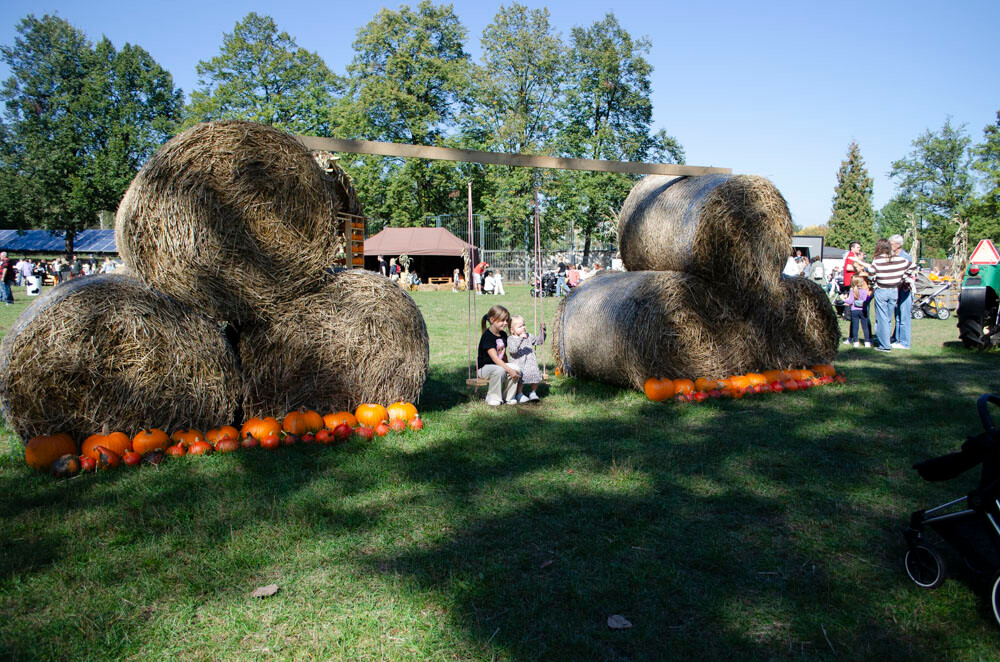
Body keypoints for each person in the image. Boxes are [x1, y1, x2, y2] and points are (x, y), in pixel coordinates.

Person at [853, 238, 912, 353]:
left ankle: (884, 345)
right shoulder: (898, 259)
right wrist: (902, 279)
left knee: (882, 318)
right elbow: (912, 266)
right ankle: (887, 340)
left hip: (882, 290)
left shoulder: (878, 260)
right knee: (888, 318)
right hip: (894, 290)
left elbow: (872, 272)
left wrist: (873, 281)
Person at [477, 305, 519, 406]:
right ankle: (492, 396)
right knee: (501, 370)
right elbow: (495, 358)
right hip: (484, 368)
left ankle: (508, 397)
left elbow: (503, 355)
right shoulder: (487, 336)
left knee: (516, 368)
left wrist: (511, 367)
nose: (505, 323)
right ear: (492, 320)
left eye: (506, 320)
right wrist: (509, 370)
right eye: (502, 321)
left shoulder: (503, 335)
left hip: (498, 366)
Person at [507, 316, 546, 403]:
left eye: (524, 325)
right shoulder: (511, 339)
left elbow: (540, 341)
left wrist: (542, 330)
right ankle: (519, 394)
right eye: (520, 326)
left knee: (535, 373)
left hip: (531, 363)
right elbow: (513, 350)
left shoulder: (528, 336)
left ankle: (532, 392)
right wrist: (521, 338)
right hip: (518, 364)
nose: (523, 328)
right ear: (512, 330)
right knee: (521, 377)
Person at [889, 234, 914, 350]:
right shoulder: (892, 256)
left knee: (904, 316)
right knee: (898, 315)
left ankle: (904, 342)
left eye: (891, 243)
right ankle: (897, 339)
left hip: (904, 290)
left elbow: (906, 275)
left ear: (898, 245)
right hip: (896, 290)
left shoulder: (906, 258)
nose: (889, 245)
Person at [843, 274, 873, 348]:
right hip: (863, 310)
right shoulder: (864, 291)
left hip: (854, 311)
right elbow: (866, 300)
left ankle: (856, 341)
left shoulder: (852, 291)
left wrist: (843, 299)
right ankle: (867, 342)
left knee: (855, 327)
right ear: (862, 283)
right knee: (865, 327)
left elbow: (850, 301)